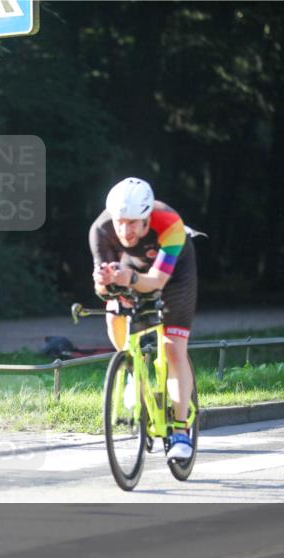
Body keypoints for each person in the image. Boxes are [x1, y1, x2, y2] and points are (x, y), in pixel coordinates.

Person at [89, 177, 198, 462]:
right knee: (114, 309)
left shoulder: (170, 224)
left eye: (133, 223)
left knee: (173, 348)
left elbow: (158, 281)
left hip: (173, 276)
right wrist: (103, 283)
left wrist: (132, 279)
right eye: (119, 222)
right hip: (133, 269)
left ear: (147, 217)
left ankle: (180, 431)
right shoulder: (100, 230)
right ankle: (129, 368)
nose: (124, 230)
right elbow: (102, 289)